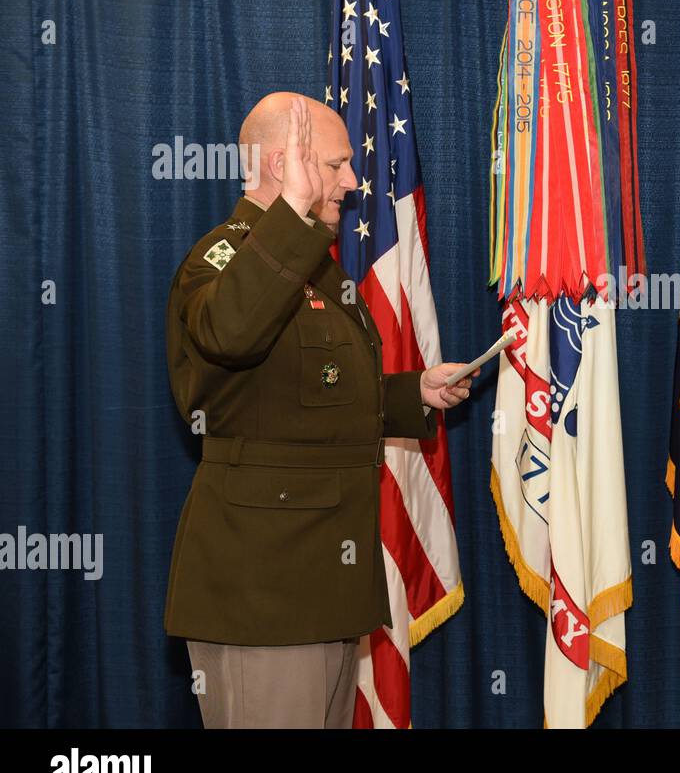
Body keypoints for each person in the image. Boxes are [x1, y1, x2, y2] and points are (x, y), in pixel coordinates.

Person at [164, 92, 477, 728]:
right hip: (266, 596)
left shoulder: (308, 266)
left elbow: (308, 400)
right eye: (335, 165)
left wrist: (410, 392)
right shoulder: (222, 258)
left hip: (326, 592)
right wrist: (289, 217)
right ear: (283, 165)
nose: (351, 181)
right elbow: (229, 333)